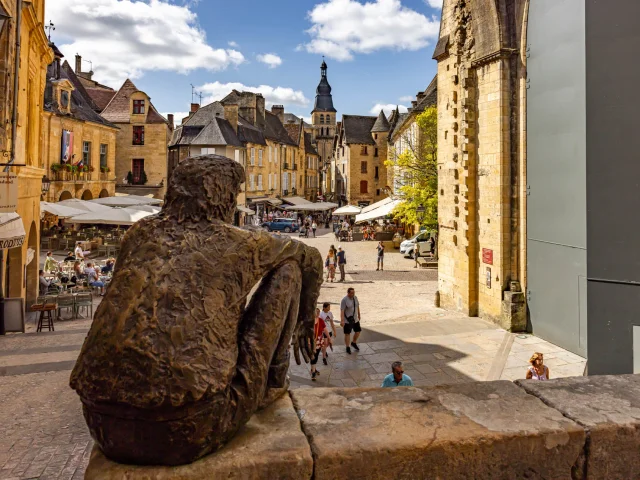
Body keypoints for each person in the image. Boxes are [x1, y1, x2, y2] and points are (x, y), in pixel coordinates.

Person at [340, 287, 361, 354]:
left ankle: (353, 342)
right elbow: (342, 310)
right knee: (347, 334)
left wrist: (359, 314)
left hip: (355, 319)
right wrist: (342, 320)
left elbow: (357, 306)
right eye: (351, 293)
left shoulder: (355, 298)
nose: (353, 294)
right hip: (347, 320)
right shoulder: (344, 300)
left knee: (358, 331)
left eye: (353, 293)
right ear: (348, 293)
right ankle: (347, 347)